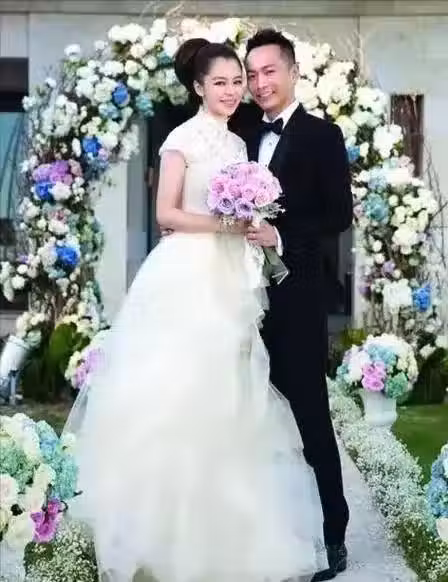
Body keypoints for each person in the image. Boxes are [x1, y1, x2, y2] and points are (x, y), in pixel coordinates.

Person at [64, 38, 326, 582]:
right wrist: (225, 224)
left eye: (237, 82)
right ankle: (162, 532)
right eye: (220, 83)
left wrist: (252, 221)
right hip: (188, 275)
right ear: (198, 87)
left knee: (232, 396)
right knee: (181, 391)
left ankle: (226, 530)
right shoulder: (180, 139)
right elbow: (167, 213)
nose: (232, 91)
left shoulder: (240, 144)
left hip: (233, 276)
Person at [237, 29, 354, 581]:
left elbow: (338, 217)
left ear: (292, 71)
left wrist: (280, 236)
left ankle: (335, 535)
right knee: (247, 418)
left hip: (297, 300)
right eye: (252, 74)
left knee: (310, 417)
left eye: (269, 71)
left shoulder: (322, 136)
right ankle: (260, 533)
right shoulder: (239, 133)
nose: (260, 83)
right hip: (239, 301)